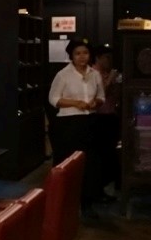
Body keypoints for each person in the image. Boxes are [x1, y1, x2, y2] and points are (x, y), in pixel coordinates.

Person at [48, 38, 104, 214]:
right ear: (71, 56)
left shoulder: (95, 74)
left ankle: (87, 203)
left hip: (89, 121)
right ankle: (63, 203)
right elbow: (53, 99)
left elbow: (101, 97)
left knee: (89, 163)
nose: (82, 57)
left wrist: (95, 103)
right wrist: (76, 103)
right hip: (68, 123)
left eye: (85, 53)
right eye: (77, 53)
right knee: (67, 164)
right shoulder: (63, 74)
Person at [92, 43, 123, 198]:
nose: (109, 61)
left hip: (111, 116)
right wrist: (110, 80)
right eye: (107, 58)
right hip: (99, 117)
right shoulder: (93, 74)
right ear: (98, 58)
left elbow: (115, 97)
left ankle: (110, 184)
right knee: (102, 154)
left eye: (110, 58)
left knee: (111, 151)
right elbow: (99, 96)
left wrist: (116, 84)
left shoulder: (107, 73)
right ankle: (100, 187)